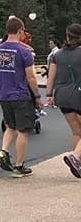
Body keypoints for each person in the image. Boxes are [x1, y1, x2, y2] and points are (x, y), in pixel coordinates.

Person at [0, 16, 43, 178]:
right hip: (20, 94)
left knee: (10, 126)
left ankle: (4, 150)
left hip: (4, 93)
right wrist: (37, 96)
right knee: (23, 130)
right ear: (20, 31)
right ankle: (19, 165)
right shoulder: (24, 51)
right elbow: (31, 77)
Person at [45, 23, 81, 178]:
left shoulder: (57, 54)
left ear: (67, 36)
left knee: (76, 132)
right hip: (78, 94)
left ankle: (77, 162)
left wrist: (49, 94)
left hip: (62, 95)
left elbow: (51, 76)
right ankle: (76, 157)